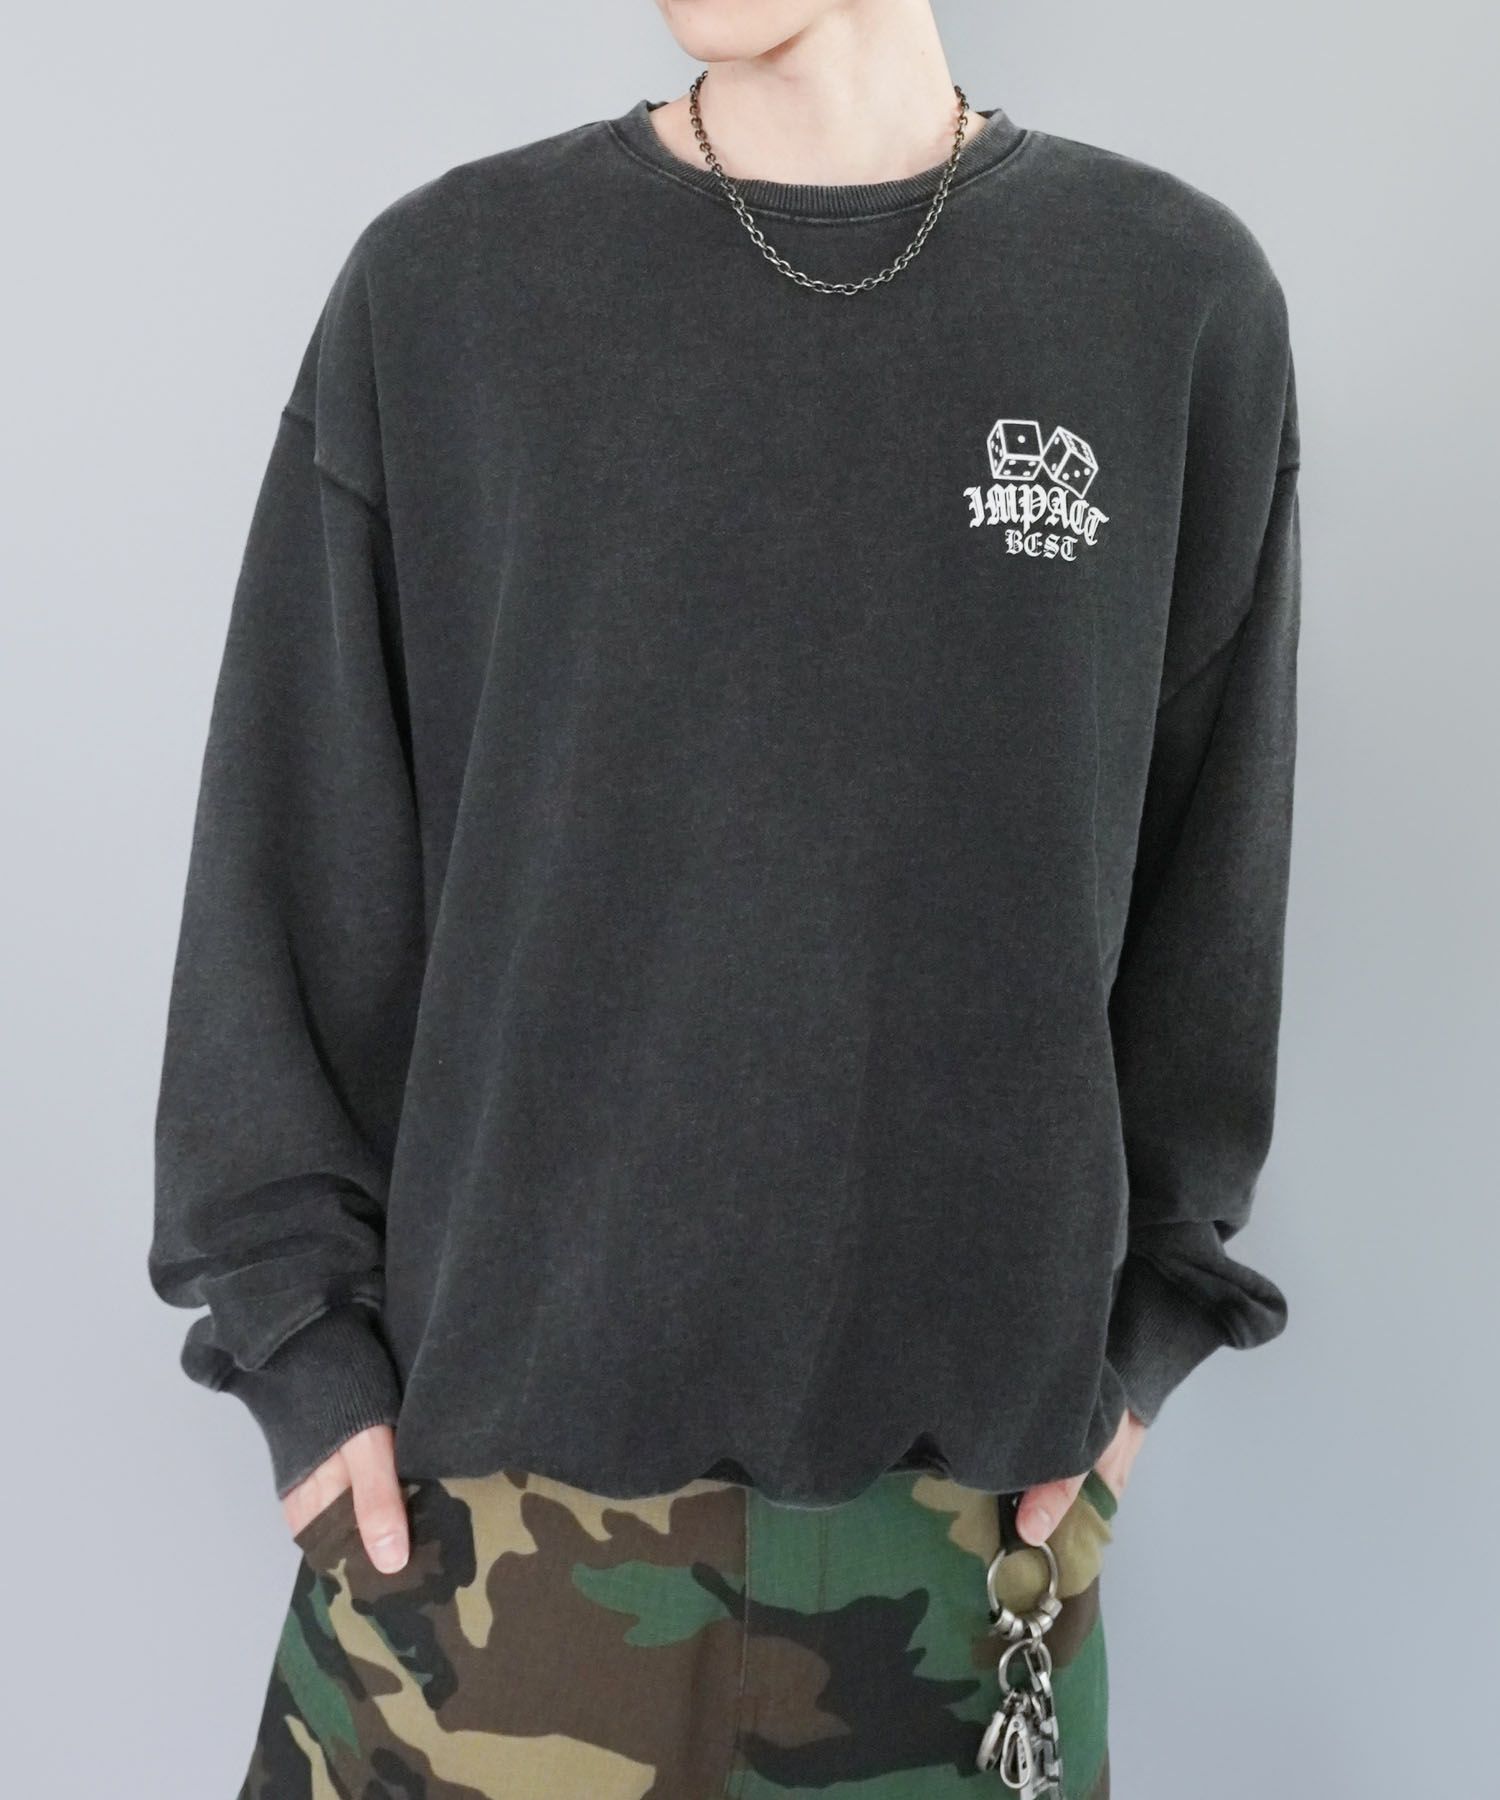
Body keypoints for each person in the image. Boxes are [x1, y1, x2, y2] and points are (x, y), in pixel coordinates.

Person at [150, 0, 1302, 1792]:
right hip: (485, 1551)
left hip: (959, 1566)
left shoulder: (1170, 302)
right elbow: (289, 868)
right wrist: (300, 1356)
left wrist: (1146, 1339)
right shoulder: (449, 290)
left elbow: (1207, 898)